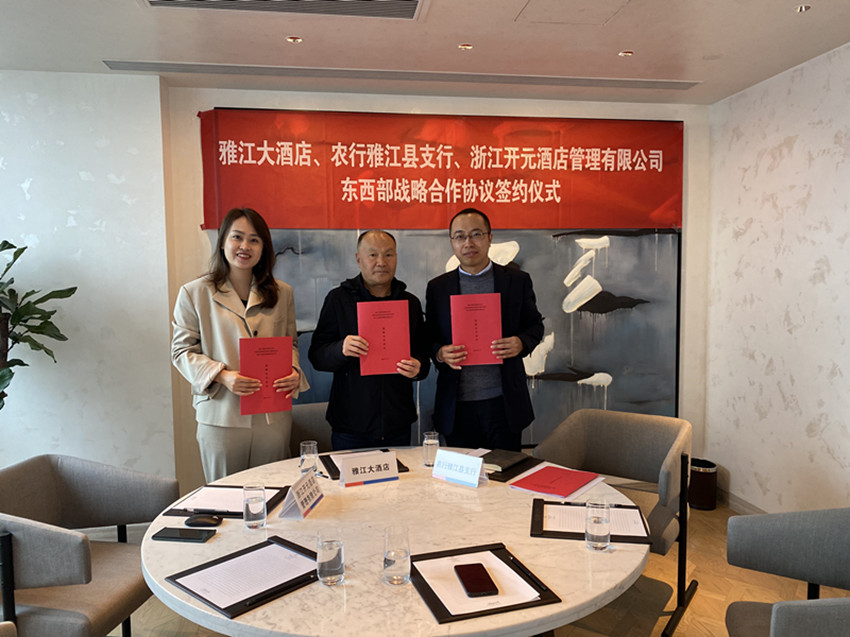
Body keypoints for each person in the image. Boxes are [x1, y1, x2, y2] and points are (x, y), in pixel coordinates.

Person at [171, 207, 308, 482]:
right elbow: (182, 352)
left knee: (273, 490)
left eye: (254, 240)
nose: (245, 246)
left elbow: (291, 343)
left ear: (263, 248)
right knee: (226, 496)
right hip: (221, 413)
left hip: (272, 415)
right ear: (223, 241)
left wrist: (293, 371)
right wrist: (222, 375)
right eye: (237, 237)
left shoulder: (282, 293)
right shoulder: (194, 292)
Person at [425, 208, 544, 451]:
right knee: (462, 473)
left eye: (476, 234)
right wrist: (439, 353)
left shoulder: (516, 280)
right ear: (452, 242)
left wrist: (521, 342)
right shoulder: (438, 287)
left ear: (490, 238)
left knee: (504, 472)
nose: (468, 243)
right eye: (460, 236)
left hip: (504, 403)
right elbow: (429, 336)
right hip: (457, 406)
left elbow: (535, 325)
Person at [309, 230, 430, 451]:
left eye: (388, 255)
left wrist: (418, 368)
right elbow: (317, 356)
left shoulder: (410, 303)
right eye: (373, 255)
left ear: (396, 258)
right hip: (350, 425)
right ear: (359, 259)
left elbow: (423, 355)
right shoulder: (339, 299)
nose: (381, 262)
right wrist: (341, 348)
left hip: (398, 421)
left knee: (401, 475)